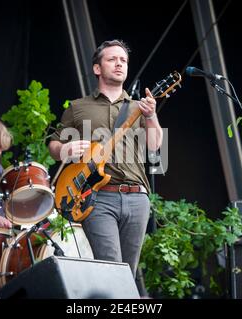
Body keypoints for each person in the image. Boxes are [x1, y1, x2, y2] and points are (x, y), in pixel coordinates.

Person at [49, 40, 163, 277]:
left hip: (137, 197)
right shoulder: (78, 107)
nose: (119, 64)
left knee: (128, 273)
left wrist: (151, 116)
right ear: (97, 68)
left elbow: (155, 145)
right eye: (112, 59)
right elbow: (54, 145)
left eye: (123, 60)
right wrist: (66, 150)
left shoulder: (139, 108)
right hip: (98, 197)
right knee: (110, 267)